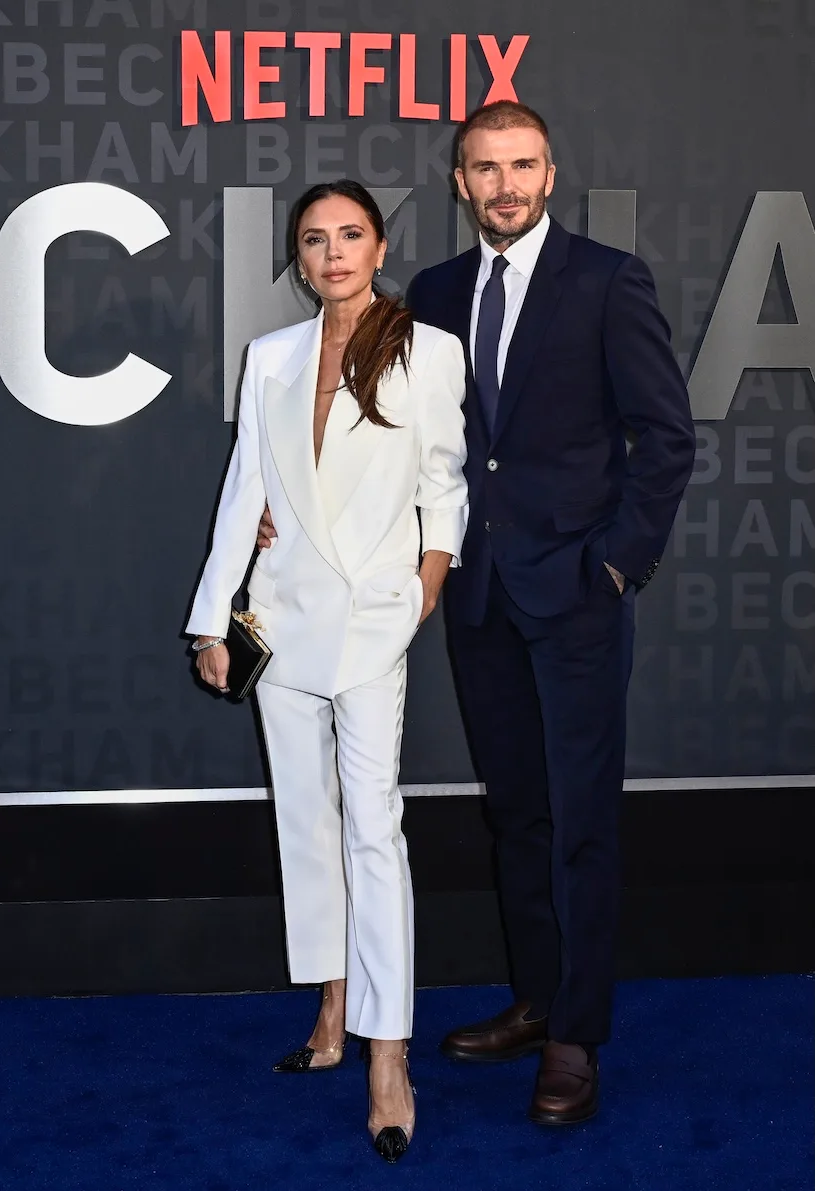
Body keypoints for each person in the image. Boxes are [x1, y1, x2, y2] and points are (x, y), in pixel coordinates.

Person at [256, 101, 696, 1126]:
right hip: (480, 595)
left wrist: (620, 565)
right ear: (459, 182)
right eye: (484, 168)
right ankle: (539, 1001)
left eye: (523, 165)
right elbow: (391, 444)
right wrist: (289, 519)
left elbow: (665, 438)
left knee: (581, 821)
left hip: (580, 594)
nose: (504, 184)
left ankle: (578, 1039)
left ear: (551, 174)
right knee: (519, 814)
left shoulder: (606, 281)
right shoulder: (436, 295)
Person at [187, 179, 468, 1162]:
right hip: (283, 612)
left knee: (373, 826)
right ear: (299, 258)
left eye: (350, 234)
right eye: (314, 239)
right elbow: (244, 493)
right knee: (304, 821)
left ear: (378, 244)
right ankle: (332, 1008)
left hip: (372, 621)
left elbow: (445, 483)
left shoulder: (428, 351)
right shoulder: (268, 356)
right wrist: (210, 621)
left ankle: (389, 1051)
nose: (333, 252)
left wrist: (426, 584)